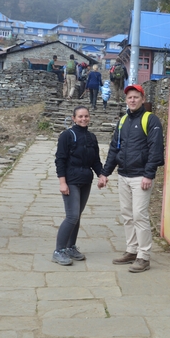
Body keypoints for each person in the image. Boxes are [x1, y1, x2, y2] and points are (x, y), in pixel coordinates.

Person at [98, 84, 164, 273]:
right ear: (126, 100)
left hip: (140, 177)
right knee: (127, 215)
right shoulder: (123, 121)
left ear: (142, 99)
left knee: (139, 215)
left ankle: (144, 256)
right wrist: (105, 173)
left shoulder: (150, 120)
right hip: (124, 176)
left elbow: (155, 149)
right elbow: (114, 149)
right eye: (129, 98)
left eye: (136, 97)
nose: (132, 100)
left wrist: (149, 174)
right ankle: (132, 250)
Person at [53, 105, 103, 266]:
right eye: (80, 116)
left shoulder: (91, 137)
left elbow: (95, 161)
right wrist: (62, 182)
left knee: (77, 216)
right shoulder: (67, 136)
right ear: (74, 118)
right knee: (72, 216)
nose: (83, 119)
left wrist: (101, 174)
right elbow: (60, 159)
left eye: (86, 116)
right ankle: (58, 251)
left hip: (85, 181)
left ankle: (70, 247)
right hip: (71, 180)